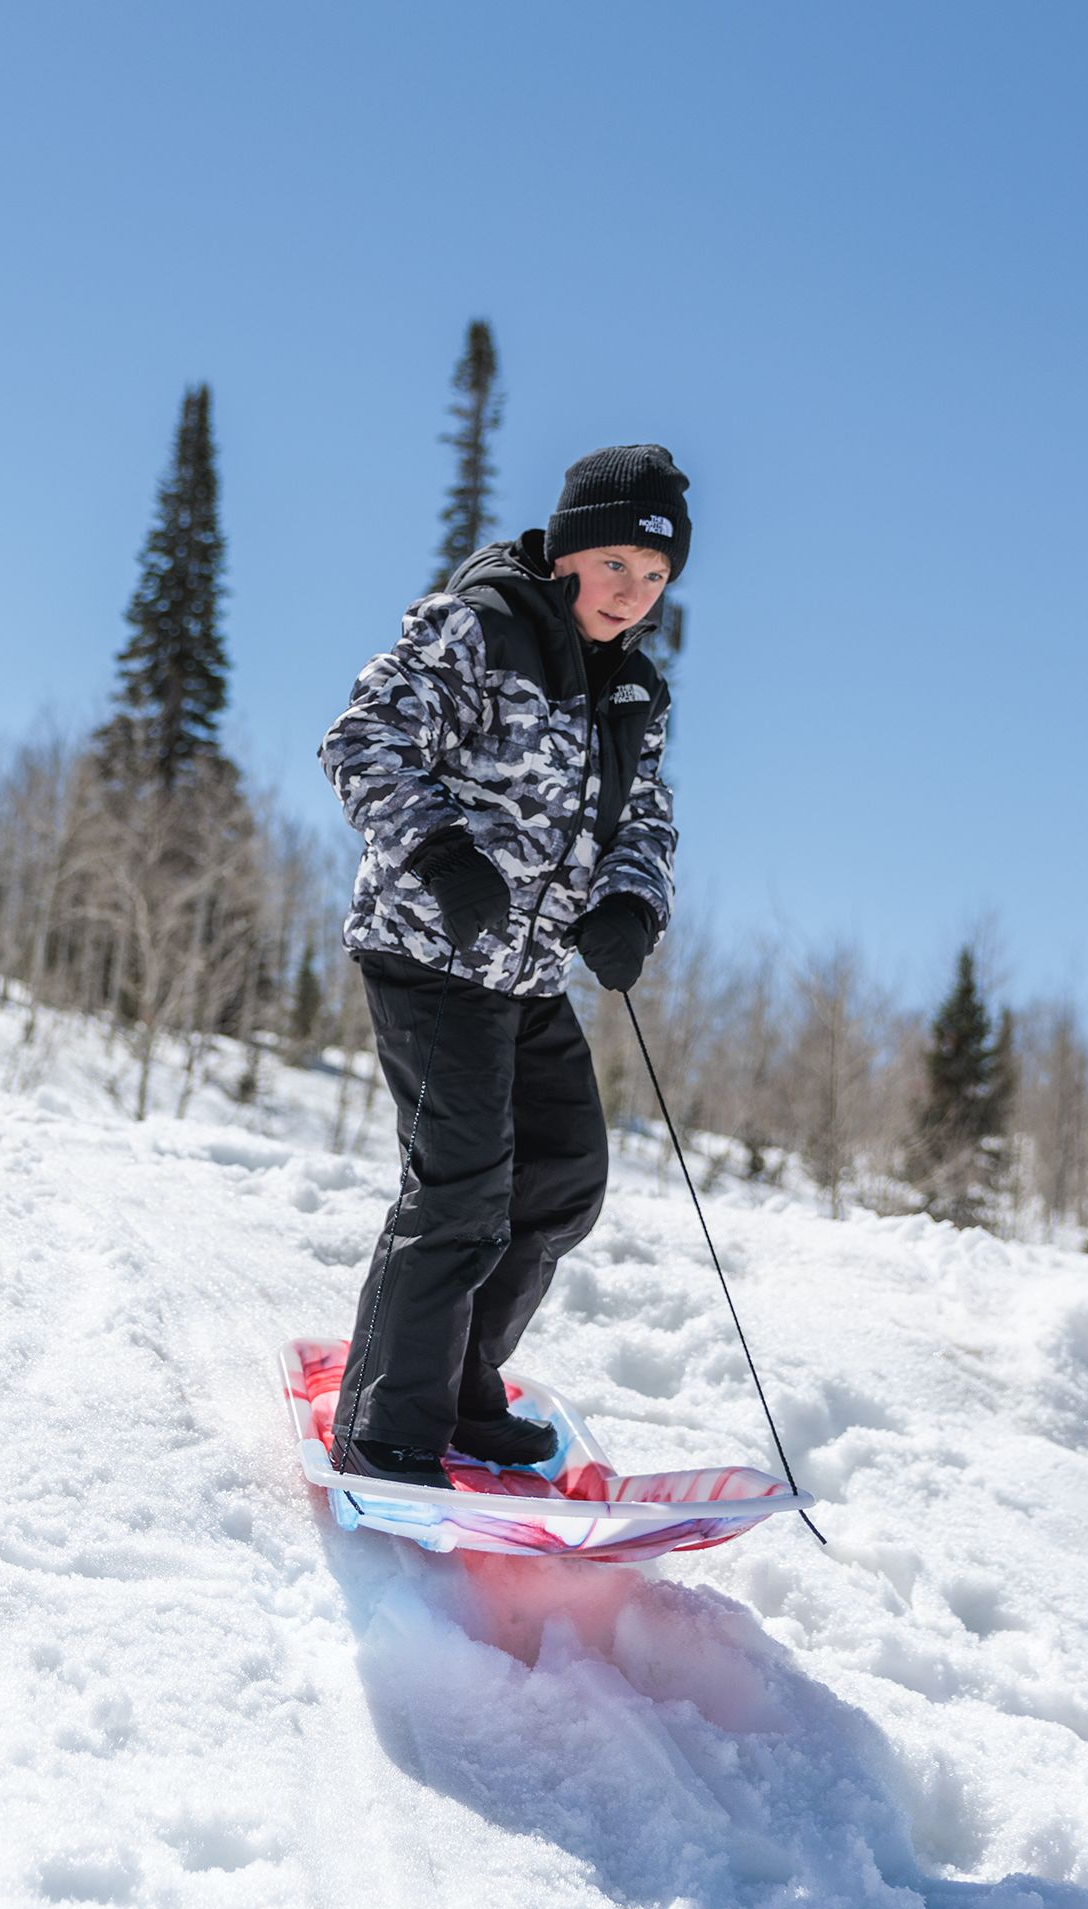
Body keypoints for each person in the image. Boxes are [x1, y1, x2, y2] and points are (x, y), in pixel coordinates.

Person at [317, 443, 689, 1487]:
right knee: (463, 1189)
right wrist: (440, 853)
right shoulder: (478, 628)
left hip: (525, 980)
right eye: (614, 564)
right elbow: (362, 740)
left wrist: (630, 903)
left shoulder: (635, 692)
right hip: (427, 955)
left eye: (654, 575)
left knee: (563, 1177)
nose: (632, 592)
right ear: (567, 552)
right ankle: (386, 1427)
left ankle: (461, 1387)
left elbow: (647, 819)